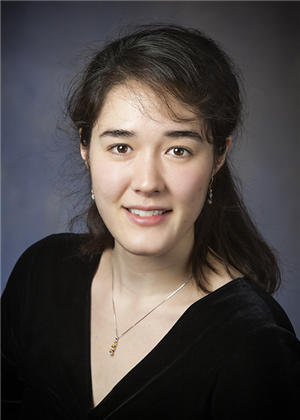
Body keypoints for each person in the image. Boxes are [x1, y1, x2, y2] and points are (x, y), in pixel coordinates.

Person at [1, 24, 300, 420]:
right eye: (121, 146)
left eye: (178, 149)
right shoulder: (40, 274)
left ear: (218, 157)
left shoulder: (255, 341)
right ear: (85, 148)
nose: (147, 183)